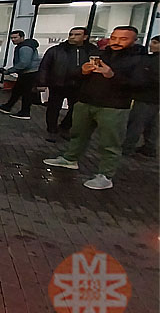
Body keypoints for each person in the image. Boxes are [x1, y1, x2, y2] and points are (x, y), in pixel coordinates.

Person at [44, 26, 144, 190]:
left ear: (134, 40)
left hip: (114, 106)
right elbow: (76, 75)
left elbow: (140, 85)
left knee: (110, 142)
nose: (117, 42)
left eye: (123, 39)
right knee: (78, 134)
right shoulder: (99, 54)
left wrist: (112, 75)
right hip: (86, 101)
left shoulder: (138, 60)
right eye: (114, 38)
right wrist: (82, 71)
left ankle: (105, 175)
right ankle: (70, 159)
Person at [37, 27, 98, 142]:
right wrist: (42, 82)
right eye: (71, 34)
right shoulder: (56, 50)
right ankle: (52, 130)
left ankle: (65, 127)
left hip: (80, 85)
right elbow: (44, 67)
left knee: (75, 109)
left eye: (77, 35)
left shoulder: (92, 51)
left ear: (85, 37)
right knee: (53, 108)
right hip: (58, 83)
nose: (72, 37)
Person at [123, 35, 158, 157]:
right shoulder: (151, 59)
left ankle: (127, 147)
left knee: (137, 122)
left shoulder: (153, 60)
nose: (151, 45)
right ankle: (149, 147)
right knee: (151, 124)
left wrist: (136, 85)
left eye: (155, 43)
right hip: (153, 97)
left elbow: (148, 78)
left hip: (146, 96)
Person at [0, 30, 40, 120]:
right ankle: (8, 106)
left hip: (29, 73)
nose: (13, 40)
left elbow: (24, 63)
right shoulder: (23, 46)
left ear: (22, 37)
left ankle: (25, 112)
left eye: (15, 37)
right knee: (17, 91)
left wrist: (9, 71)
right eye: (11, 38)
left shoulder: (24, 47)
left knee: (26, 93)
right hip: (27, 73)